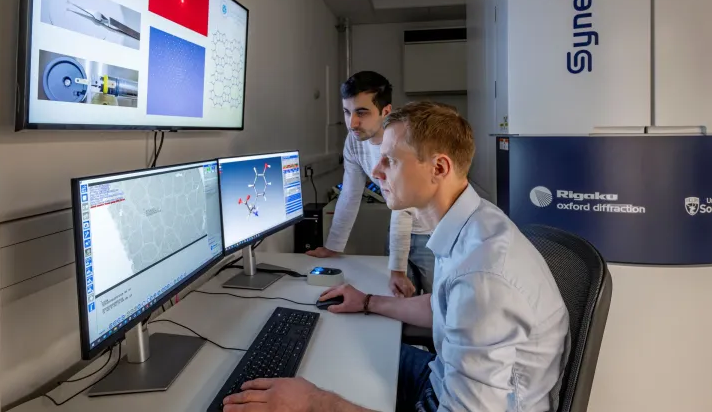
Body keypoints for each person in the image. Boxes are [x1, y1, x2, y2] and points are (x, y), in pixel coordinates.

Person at [224, 102, 570, 412]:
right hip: (441, 378)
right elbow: (441, 305)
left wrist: (316, 403)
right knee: (327, 357)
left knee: (312, 385)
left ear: (438, 168)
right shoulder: (474, 224)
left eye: (390, 160)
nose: (377, 172)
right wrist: (368, 302)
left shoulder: (482, 276)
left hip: (445, 400)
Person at [306, 71, 434, 297]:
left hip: (434, 235)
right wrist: (333, 247)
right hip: (397, 231)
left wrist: (397, 269)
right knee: (400, 304)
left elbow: (403, 206)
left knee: (439, 309)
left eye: (361, 113)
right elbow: (349, 194)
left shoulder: (404, 139)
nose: (352, 123)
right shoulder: (354, 143)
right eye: (347, 112)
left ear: (386, 111)